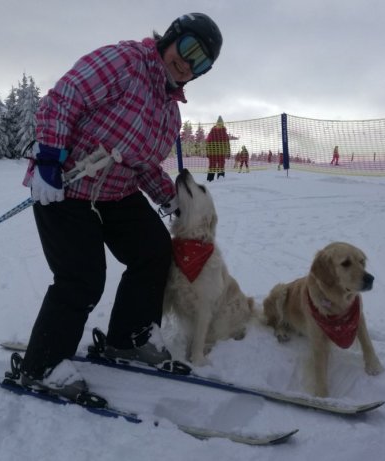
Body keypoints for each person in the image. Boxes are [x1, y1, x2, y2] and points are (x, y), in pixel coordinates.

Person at [17, 13, 223, 399]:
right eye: (189, 48)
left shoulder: (170, 114)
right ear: (172, 37)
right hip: (64, 185)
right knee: (82, 277)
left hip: (115, 194)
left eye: (202, 62)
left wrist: (171, 198)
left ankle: (128, 338)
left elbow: (143, 166)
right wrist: (48, 159)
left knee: (154, 250)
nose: (189, 63)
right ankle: (43, 366)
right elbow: (63, 99)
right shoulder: (126, 62)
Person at [206, 115, 230, 181]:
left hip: (214, 153)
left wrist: (208, 152)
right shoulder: (224, 133)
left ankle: (210, 180)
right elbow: (227, 144)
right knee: (220, 166)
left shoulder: (212, 132)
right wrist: (228, 153)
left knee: (213, 166)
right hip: (219, 153)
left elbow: (208, 142)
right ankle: (219, 180)